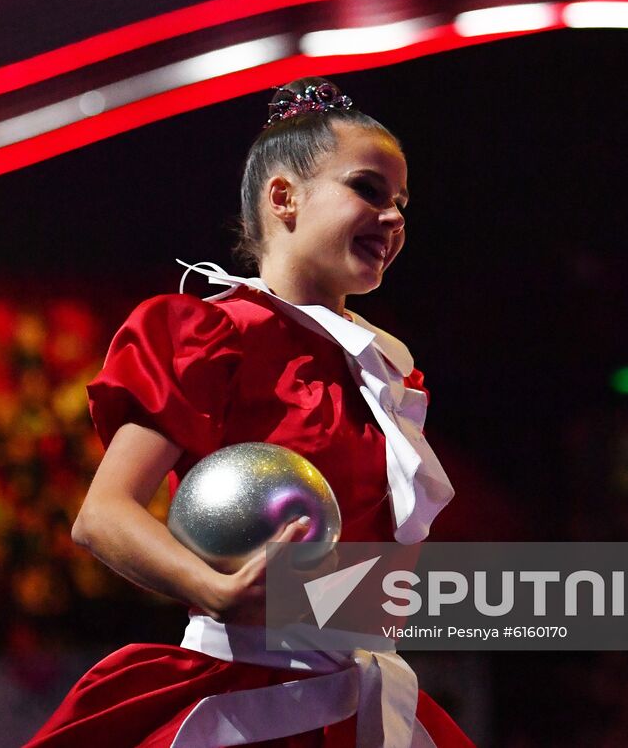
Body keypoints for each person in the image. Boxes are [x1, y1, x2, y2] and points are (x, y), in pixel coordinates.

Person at [24, 78, 473, 747]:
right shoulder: (212, 334)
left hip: (365, 707)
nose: (394, 218)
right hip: (243, 703)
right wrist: (215, 590)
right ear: (285, 197)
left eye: (402, 203)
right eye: (368, 191)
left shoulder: (384, 368)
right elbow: (104, 514)